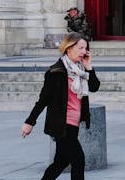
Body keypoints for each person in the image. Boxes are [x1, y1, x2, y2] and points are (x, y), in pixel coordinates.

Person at [23, 32, 100, 180]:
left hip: (74, 123)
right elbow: (43, 100)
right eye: (80, 48)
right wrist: (29, 122)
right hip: (61, 124)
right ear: (68, 48)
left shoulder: (81, 70)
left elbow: (94, 87)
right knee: (78, 160)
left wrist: (88, 66)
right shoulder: (55, 72)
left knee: (61, 162)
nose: (84, 52)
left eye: (86, 48)